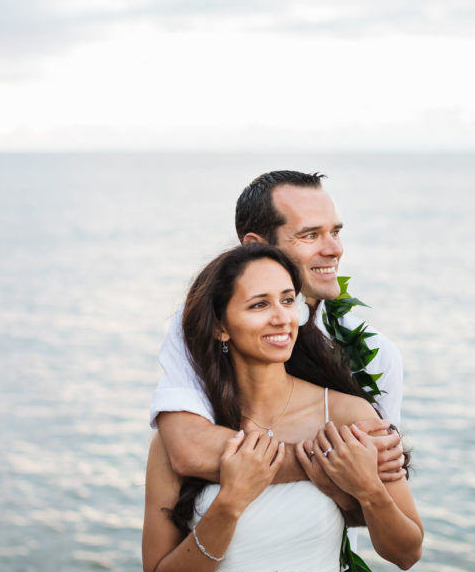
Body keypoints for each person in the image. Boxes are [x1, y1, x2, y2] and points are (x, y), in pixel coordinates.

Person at [142, 245, 423, 572]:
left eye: (288, 300)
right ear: (221, 326)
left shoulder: (348, 416)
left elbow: (407, 553)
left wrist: (368, 490)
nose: (282, 318)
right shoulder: (184, 436)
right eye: (259, 305)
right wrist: (230, 502)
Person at [150, 170, 406, 489]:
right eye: (310, 235)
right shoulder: (202, 324)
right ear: (254, 245)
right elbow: (189, 449)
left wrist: (370, 468)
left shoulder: (377, 355)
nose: (334, 249)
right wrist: (338, 458)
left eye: (335, 232)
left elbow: (384, 479)